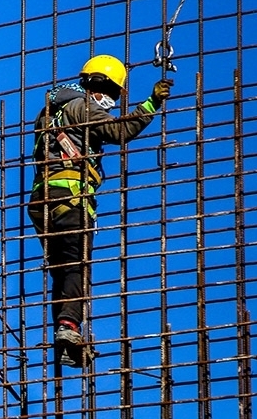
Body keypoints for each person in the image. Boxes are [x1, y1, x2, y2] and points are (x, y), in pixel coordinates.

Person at [28, 54, 172, 367]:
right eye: (114, 92)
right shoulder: (82, 106)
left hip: (42, 201)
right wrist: (151, 104)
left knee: (62, 271)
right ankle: (68, 328)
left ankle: (66, 330)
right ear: (99, 84)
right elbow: (119, 131)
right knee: (77, 265)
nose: (114, 99)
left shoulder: (49, 112)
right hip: (71, 197)